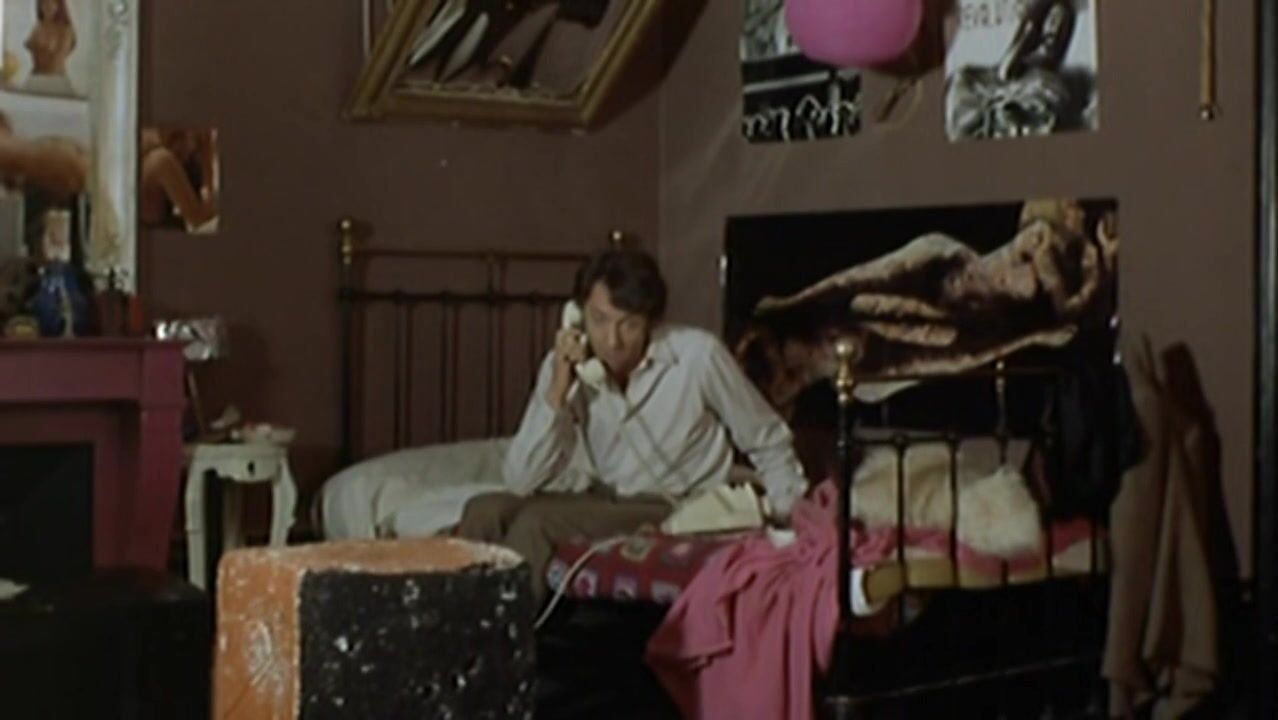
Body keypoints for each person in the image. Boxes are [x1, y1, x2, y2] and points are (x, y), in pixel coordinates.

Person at [455, 247, 809, 605]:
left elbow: (767, 438)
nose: (613, 340)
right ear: (577, 315)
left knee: (535, 522)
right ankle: (451, 625)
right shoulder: (568, 364)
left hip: (672, 504)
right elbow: (520, 480)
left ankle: (501, 637)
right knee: (483, 510)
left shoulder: (698, 356)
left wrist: (790, 517)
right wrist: (559, 390)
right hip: (602, 498)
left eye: (629, 324)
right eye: (599, 320)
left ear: (651, 321)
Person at [140, 128, 218, 232]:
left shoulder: (200, 135)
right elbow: (198, 219)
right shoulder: (160, 160)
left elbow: (208, 190)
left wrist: (208, 188)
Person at [24, 0, 76, 95]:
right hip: (35, 80)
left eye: (51, 3)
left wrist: (38, 50)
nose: (47, 6)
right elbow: (30, 54)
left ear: (59, 6)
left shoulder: (65, 30)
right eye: (44, 3)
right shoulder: (37, 28)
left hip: (56, 82)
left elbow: (56, 62)